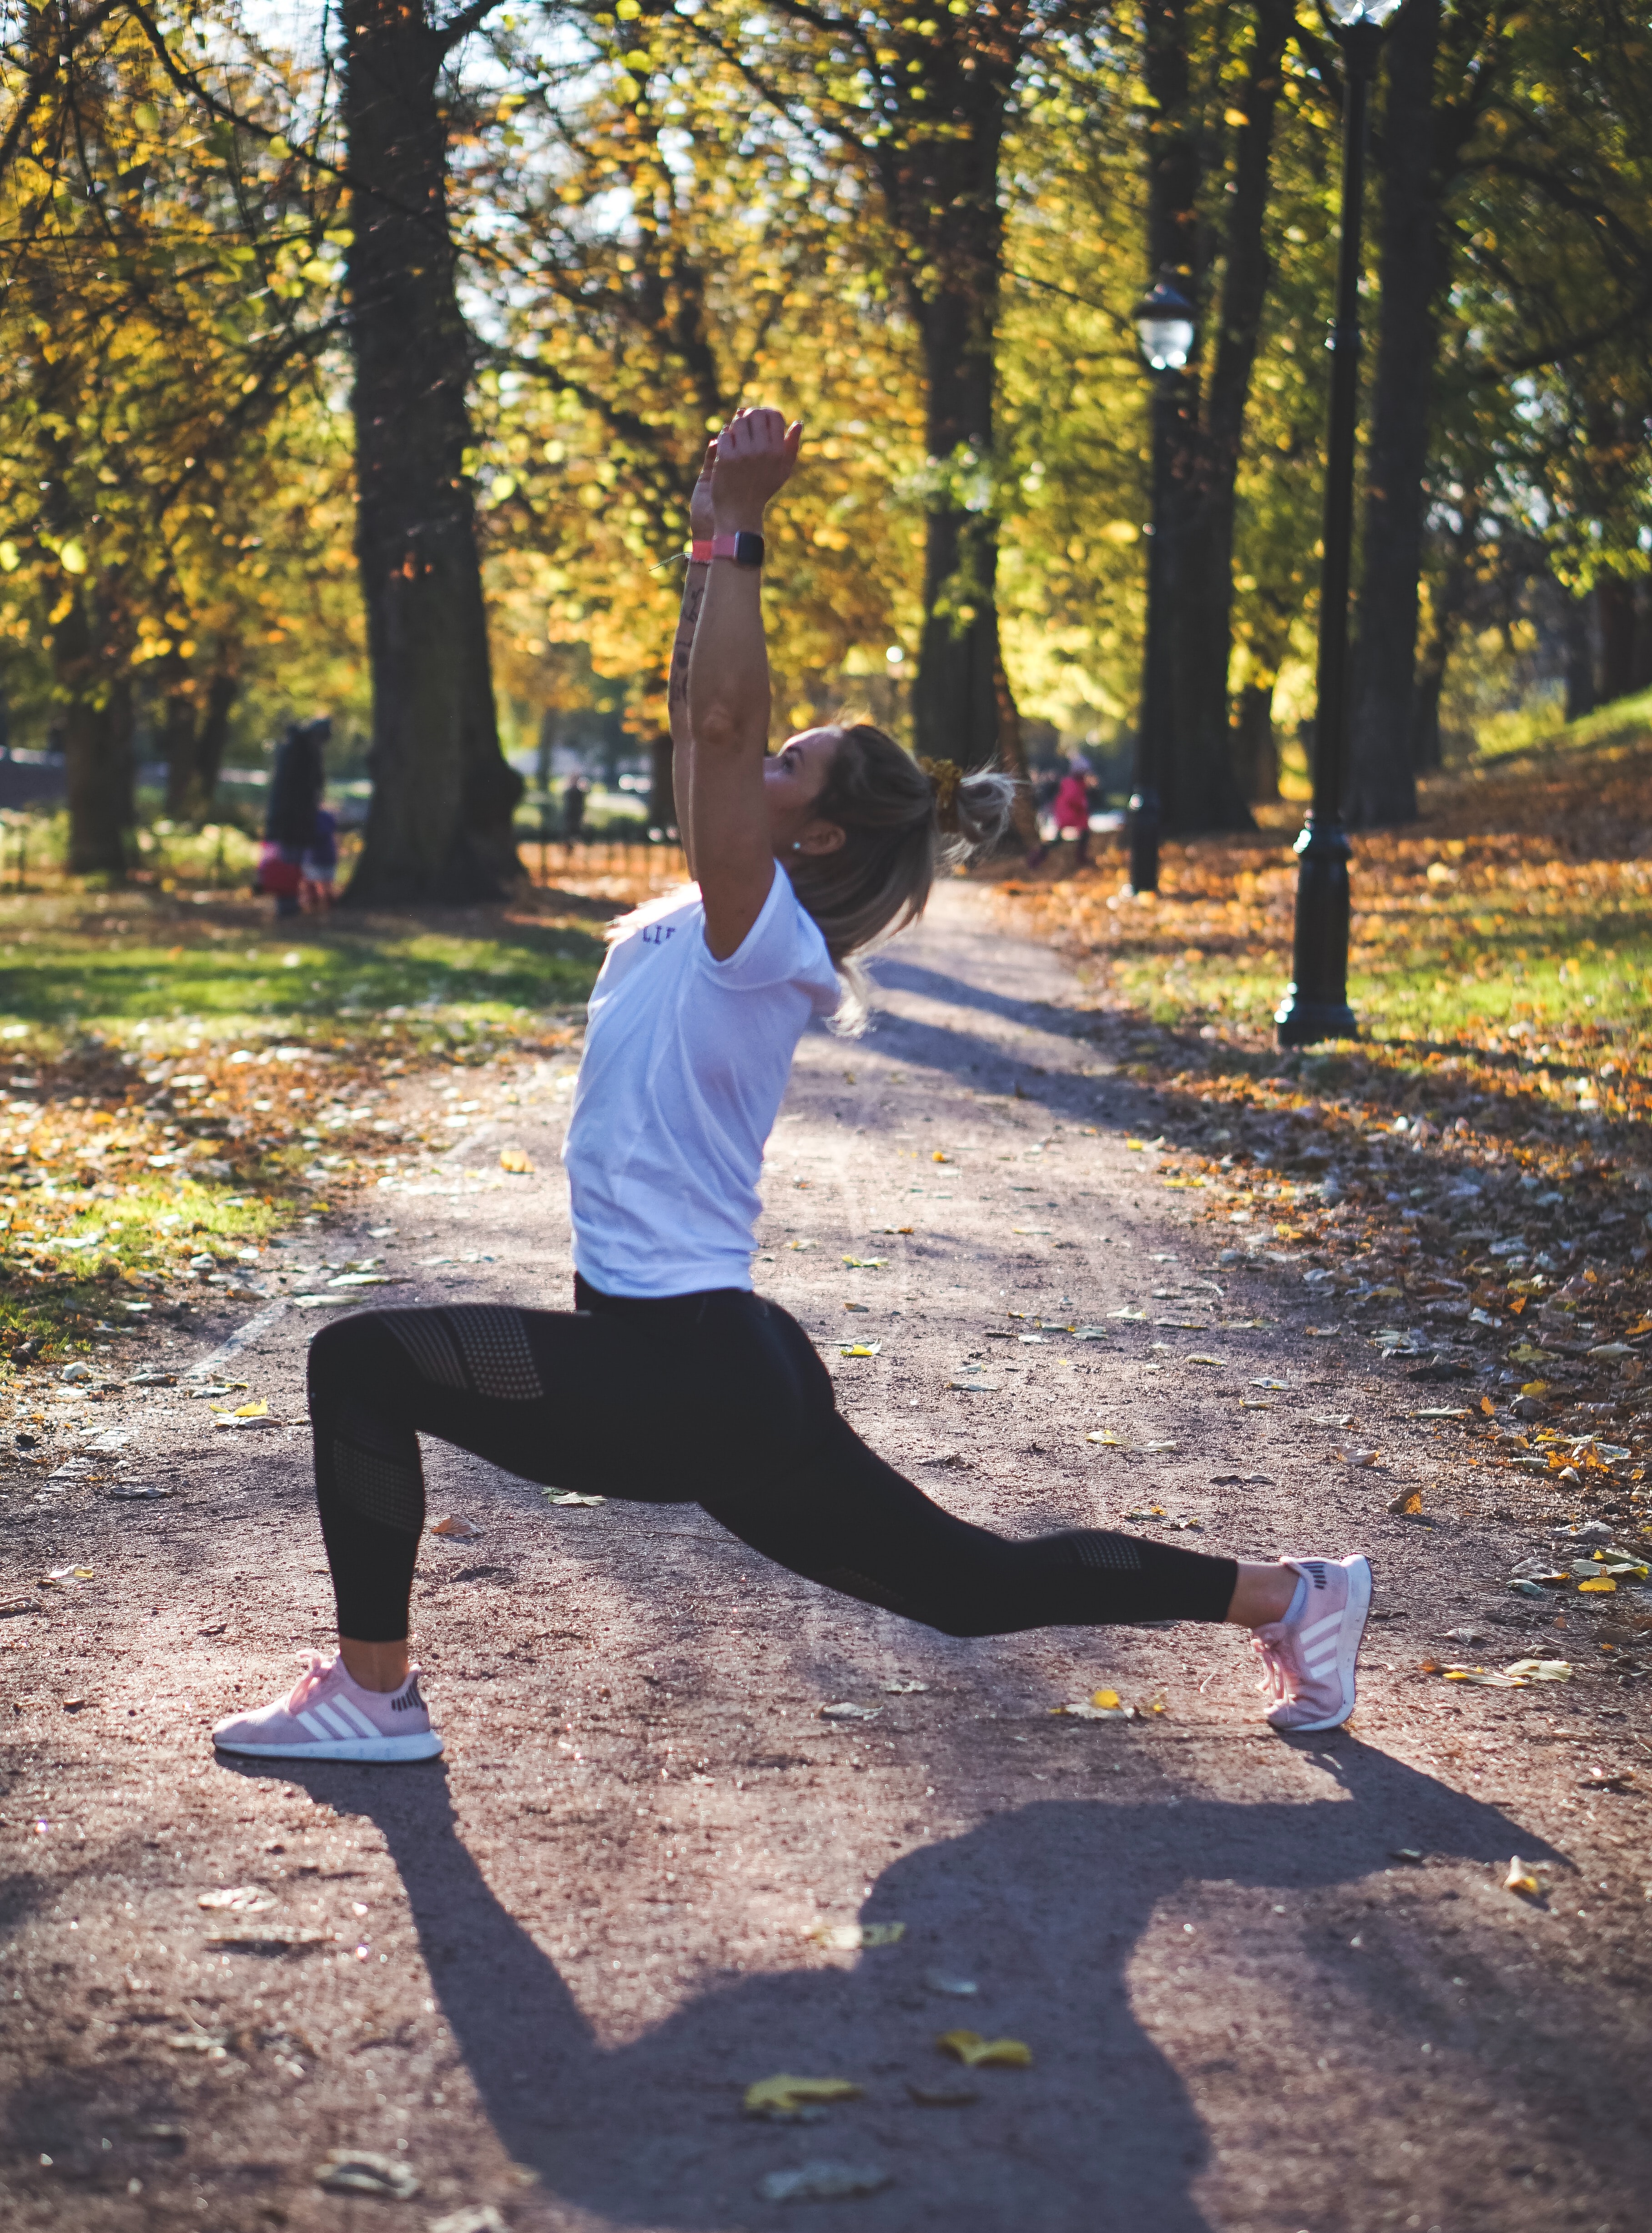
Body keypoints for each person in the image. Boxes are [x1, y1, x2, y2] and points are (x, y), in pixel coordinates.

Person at [212, 407, 1370, 1767]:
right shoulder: (717, 905)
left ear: (813, 832)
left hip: (680, 1367)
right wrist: (708, 533)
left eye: (783, 764)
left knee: (358, 1364)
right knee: (967, 1586)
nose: (746, 761)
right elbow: (694, 712)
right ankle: (1297, 1596)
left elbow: (713, 717)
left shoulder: (760, 930)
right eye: (768, 749)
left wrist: (737, 532)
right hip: (703, 1361)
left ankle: (375, 1696)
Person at [257, 718, 330, 920]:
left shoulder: (296, 753)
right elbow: (294, 793)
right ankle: (287, 905)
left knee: (293, 863)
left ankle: (289, 904)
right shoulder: (300, 756)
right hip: (292, 822)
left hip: (294, 822)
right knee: (289, 863)